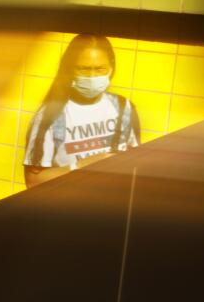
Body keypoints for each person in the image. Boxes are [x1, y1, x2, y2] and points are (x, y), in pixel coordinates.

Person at [23, 34, 139, 187]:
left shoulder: (124, 107)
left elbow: (137, 162)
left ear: (111, 68)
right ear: (70, 69)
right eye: (83, 69)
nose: (92, 76)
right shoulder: (50, 115)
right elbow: (33, 181)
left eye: (99, 69)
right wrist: (80, 167)